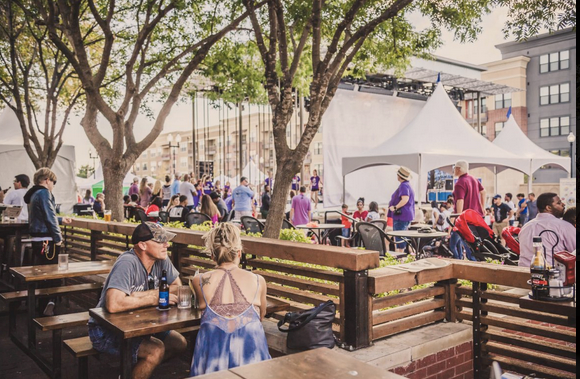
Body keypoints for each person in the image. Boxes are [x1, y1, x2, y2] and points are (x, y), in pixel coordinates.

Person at [89, 222, 187, 379]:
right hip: (105, 330)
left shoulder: (161, 258)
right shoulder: (127, 262)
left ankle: (132, 371)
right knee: (155, 350)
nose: (166, 245)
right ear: (142, 245)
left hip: (143, 325)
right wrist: (154, 298)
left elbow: (177, 287)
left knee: (178, 343)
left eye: (166, 240)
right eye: (160, 241)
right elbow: (114, 304)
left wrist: (138, 296)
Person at [189, 223, 270, 376]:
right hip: (252, 363)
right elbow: (261, 317)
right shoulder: (258, 280)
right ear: (239, 253)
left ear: (212, 255)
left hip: (213, 364)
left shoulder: (198, 281)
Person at [23, 167, 72, 315]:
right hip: (47, 240)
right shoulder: (44, 193)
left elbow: (43, 216)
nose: (53, 185)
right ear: (46, 180)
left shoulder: (33, 194)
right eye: (53, 181)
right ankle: (47, 306)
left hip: (38, 239)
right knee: (52, 274)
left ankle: (42, 305)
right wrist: (58, 239)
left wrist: (61, 219)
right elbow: (49, 217)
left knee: (43, 273)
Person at [518, 193, 576, 267]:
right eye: (559, 203)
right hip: (551, 275)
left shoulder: (526, 226)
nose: (563, 204)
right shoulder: (564, 226)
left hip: (523, 272)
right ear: (548, 207)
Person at [388, 167, 415, 253]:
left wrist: (395, 207)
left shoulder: (403, 185)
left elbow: (405, 199)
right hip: (404, 216)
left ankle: (400, 258)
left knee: (399, 238)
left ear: (399, 176)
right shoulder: (407, 185)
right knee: (401, 237)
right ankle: (401, 256)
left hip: (401, 216)